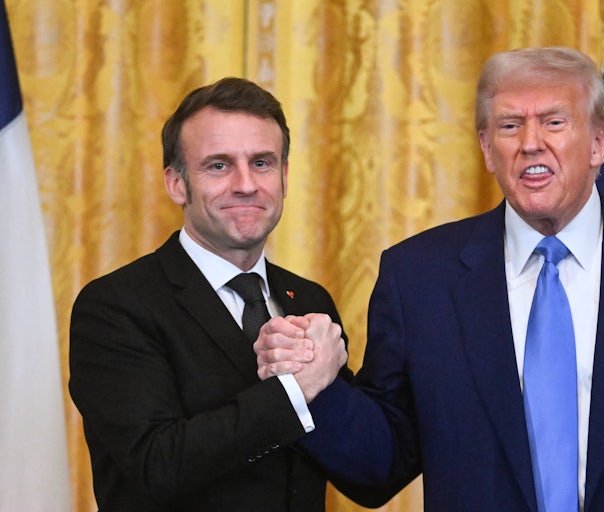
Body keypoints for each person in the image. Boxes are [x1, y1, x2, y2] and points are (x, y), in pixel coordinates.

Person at [255, 47, 604, 511]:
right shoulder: (419, 278)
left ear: (598, 143)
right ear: (486, 150)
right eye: (509, 126)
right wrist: (315, 387)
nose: (530, 143)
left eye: (554, 122)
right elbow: (380, 466)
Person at [69, 77, 387, 511]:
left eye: (262, 163)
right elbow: (155, 465)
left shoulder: (309, 301)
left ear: (284, 177)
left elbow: (367, 478)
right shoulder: (116, 306)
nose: (246, 184)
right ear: (177, 184)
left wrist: (327, 390)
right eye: (219, 165)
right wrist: (297, 389)